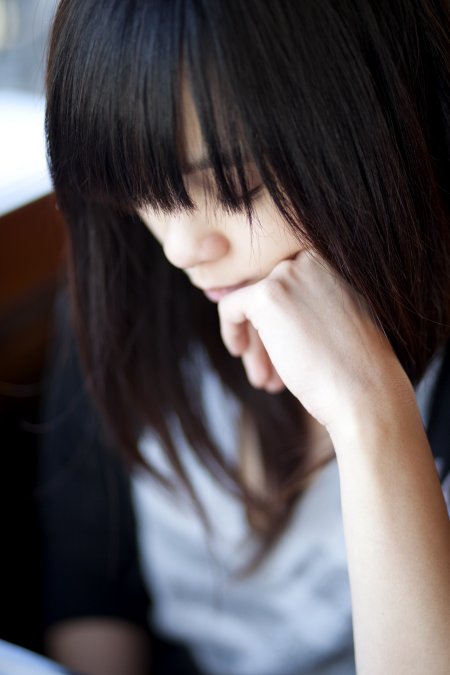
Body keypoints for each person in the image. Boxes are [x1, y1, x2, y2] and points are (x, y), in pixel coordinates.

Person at [38, 1, 450, 674]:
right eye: (143, 192)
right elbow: (91, 588)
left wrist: (372, 416)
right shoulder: (130, 283)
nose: (182, 248)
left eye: (234, 190)